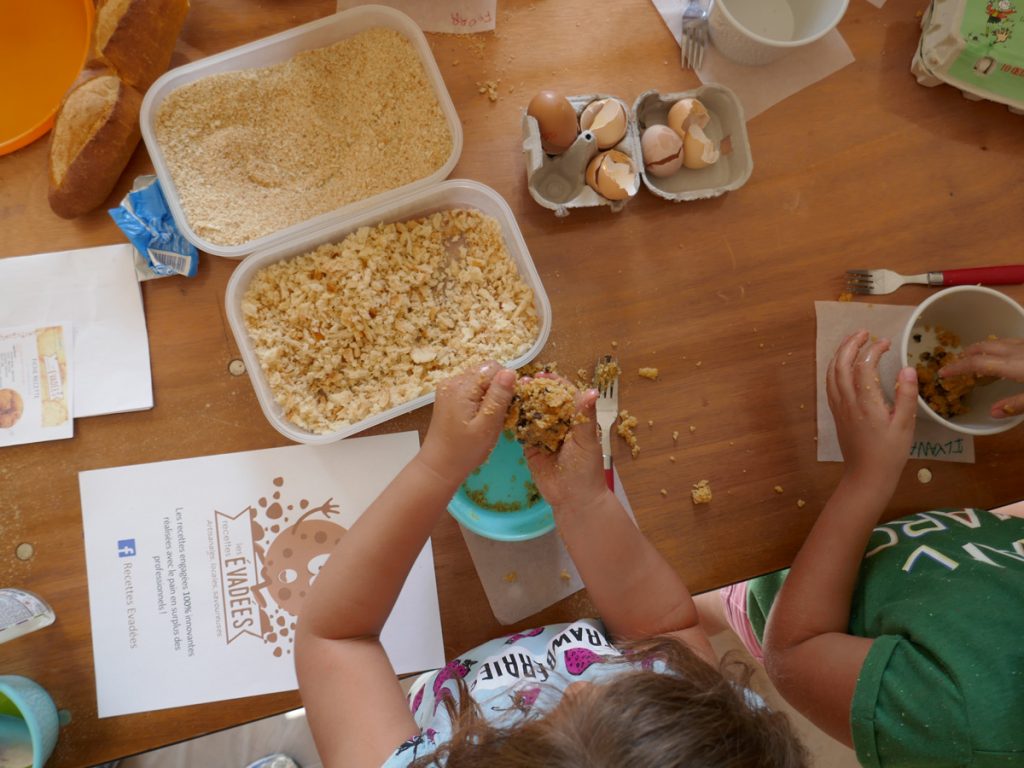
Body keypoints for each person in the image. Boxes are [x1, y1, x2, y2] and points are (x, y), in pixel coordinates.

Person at [295, 362, 809, 768]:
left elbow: (337, 636)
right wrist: (582, 504)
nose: (583, 686)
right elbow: (661, 628)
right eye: (621, 695)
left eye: (565, 712)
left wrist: (438, 465)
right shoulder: (717, 740)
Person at [695, 331, 1024, 767]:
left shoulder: (964, 731)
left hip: (790, 590)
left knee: (696, 597)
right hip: (953, 524)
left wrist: (867, 478)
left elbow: (795, 653)